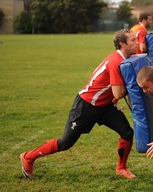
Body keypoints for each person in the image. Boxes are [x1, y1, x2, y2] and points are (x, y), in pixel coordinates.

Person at [20, 29, 138, 179]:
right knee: (65, 143)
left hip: (105, 106)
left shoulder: (127, 59)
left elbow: (115, 93)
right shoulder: (116, 62)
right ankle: (28, 157)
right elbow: (118, 93)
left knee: (127, 132)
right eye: (133, 40)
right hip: (86, 106)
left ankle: (121, 168)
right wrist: (135, 86)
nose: (137, 42)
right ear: (122, 44)